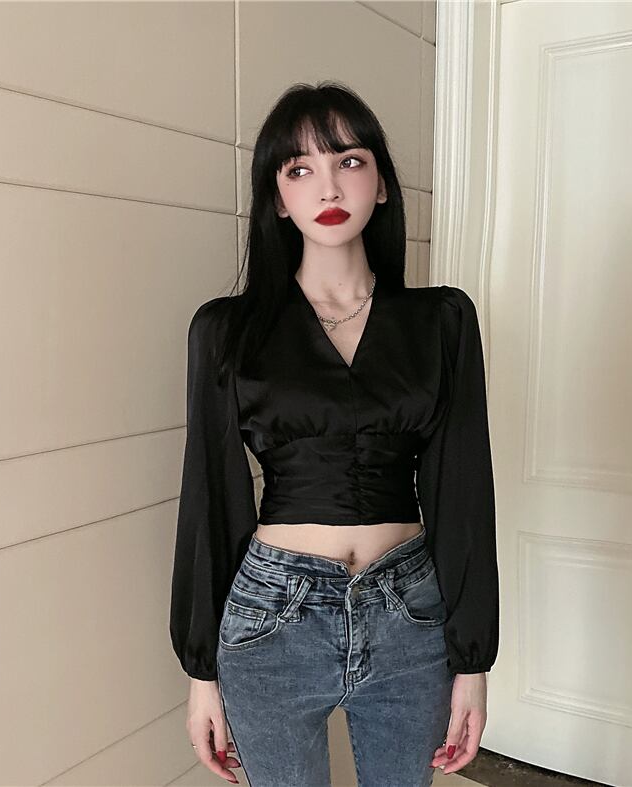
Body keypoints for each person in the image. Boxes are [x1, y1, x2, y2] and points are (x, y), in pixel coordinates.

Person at [169, 81, 499, 787]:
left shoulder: (441, 321)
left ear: (381, 184)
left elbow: (463, 490)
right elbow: (211, 497)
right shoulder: (226, 330)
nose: (328, 185)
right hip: (272, 616)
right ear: (277, 198)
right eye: (300, 169)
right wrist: (202, 674)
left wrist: (472, 662)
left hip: (409, 609)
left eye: (349, 161)